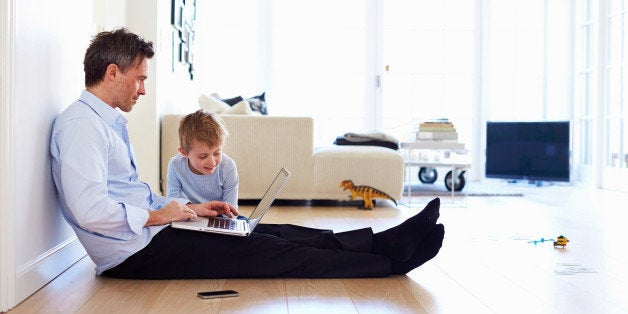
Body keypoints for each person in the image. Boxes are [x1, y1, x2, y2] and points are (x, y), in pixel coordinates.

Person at [50, 27, 445, 280]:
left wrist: (189, 208)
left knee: (267, 230)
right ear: (113, 73)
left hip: (150, 232)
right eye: (139, 79)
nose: (143, 90)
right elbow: (89, 211)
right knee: (267, 251)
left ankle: (380, 241)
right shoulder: (82, 127)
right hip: (134, 253)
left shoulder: (104, 122)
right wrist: (160, 215)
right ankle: (388, 262)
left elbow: (126, 195)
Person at [166, 110, 238, 209]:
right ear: (184, 153)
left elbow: (231, 208)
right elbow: (172, 202)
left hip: (219, 216)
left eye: (217, 153)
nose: (212, 162)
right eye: (203, 156)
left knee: (244, 221)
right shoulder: (175, 165)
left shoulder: (228, 166)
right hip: (189, 213)